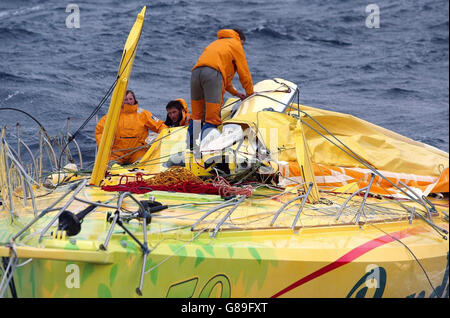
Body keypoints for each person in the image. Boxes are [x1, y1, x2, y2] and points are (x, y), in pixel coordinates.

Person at [188, 28, 254, 149]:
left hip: (195, 74)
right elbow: (244, 72)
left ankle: (190, 149)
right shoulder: (235, 44)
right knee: (212, 118)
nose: (242, 47)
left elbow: (223, 78)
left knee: (196, 116)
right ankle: (206, 153)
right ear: (239, 38)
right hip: (212, 75)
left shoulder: (216, 44)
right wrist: (250, 93)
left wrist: (236, 93)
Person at [95, 90, 167, 165]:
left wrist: (165, 135)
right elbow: (100, 131)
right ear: (121, 101)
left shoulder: (143, 114)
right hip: (117, 153)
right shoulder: (112, 116)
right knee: (111, 168)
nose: (129, 101)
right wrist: (104, 148)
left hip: (138, 152)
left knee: (145, 165)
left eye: (130, 99)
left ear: (134, 99)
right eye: (125, 99)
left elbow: (160, 126)